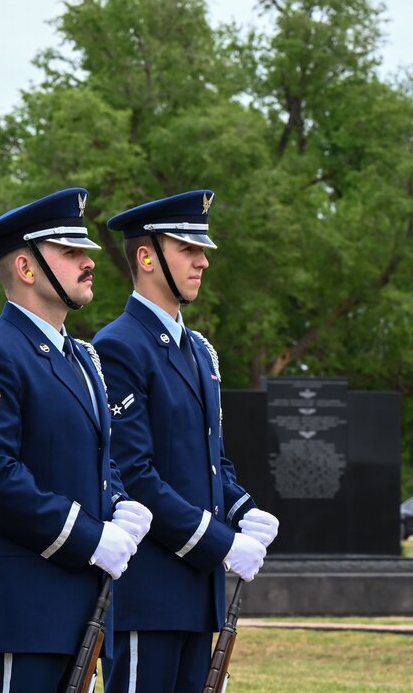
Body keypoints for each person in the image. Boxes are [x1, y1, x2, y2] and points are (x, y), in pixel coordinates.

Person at [0, 188, 152, 691]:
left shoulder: (82, 358)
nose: (89, 263)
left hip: (84, 605)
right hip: (26, 609)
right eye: (71, 253)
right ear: (26, 267)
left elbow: (98, 460)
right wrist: (91, 537)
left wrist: (121, 501)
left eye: (86, 252)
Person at [93, 190, 280, 692]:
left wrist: (242, 508)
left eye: (202, 249)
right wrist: (222, 542)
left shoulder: (199, 351)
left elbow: (211, 462)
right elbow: (135, 474)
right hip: (147, 595)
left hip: (199, 596)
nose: (203, 260)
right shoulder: (119, 345)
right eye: (188, 249)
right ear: (147, 256)